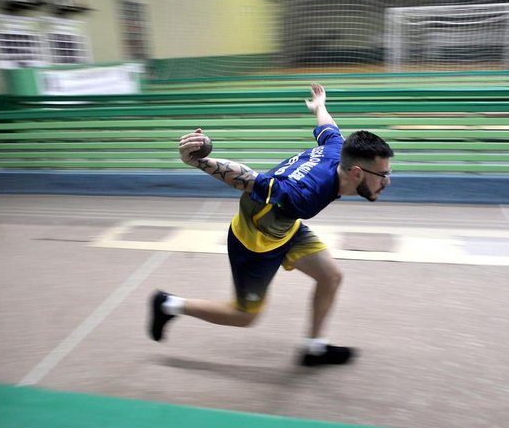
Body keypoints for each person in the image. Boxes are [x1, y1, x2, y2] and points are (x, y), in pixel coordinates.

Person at [148, 83, 395, 366]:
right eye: (383, 175)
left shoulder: (337, 149)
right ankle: (167, 304)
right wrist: (198, 162)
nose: (386, 182)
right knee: (245, 315)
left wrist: (319, 107)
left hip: (285, 227)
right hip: (254, 242)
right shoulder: (305, 193)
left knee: (331, 277)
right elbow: (249, 179)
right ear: (356, 172)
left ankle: (314, 348)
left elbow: (329, 128)